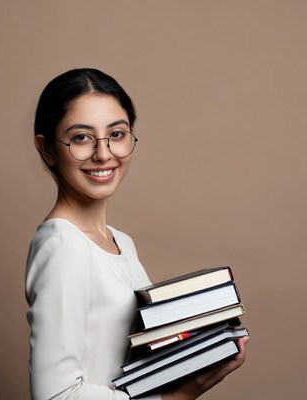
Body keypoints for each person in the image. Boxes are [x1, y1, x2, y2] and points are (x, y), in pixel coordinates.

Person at [25, 68, 249, 400]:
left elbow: (122, 363)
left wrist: (195, 351)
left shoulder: (121, 242)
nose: (104, 154)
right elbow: (56, 396)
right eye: (81, 138)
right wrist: (176, 397)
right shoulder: (62, 246)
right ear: (47, 149)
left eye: (117, 134)